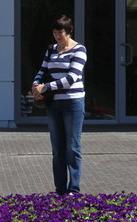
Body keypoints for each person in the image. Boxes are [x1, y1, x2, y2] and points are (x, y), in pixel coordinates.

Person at [31, 15, 87, 195]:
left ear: (69, 32)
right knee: (57, 148)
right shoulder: (52, 49)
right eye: (54, 33)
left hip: (73, 103)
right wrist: (35, 87)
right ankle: (60, 189)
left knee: (72, 147)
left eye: (60, 33)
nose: (57, 36)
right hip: (54, 104)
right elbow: (42, 70)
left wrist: (46, 87)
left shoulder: (79, 50)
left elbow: (72, 78)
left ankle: (74, 189)